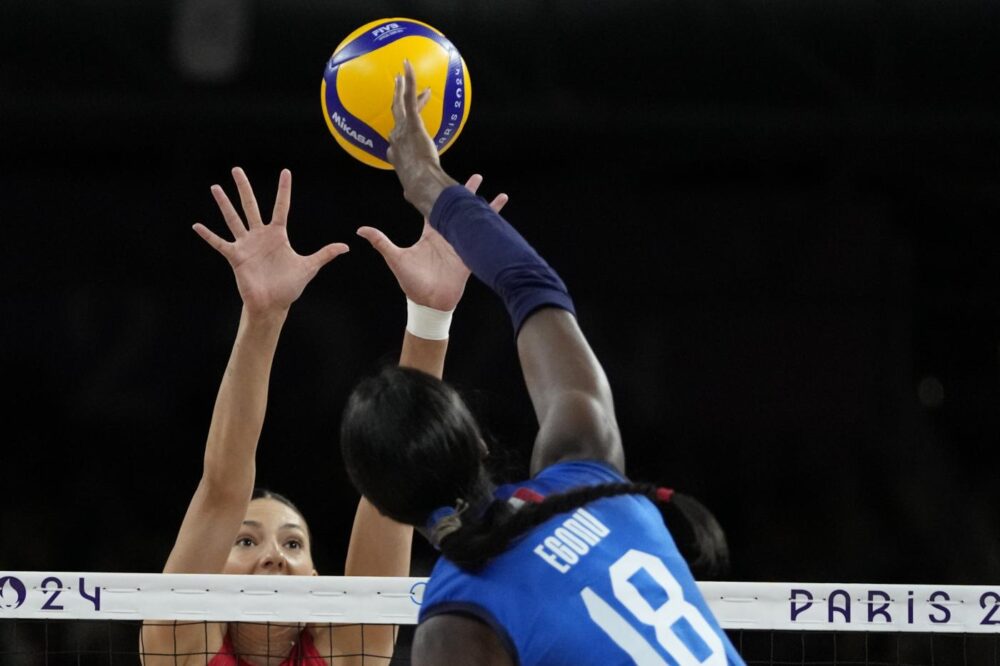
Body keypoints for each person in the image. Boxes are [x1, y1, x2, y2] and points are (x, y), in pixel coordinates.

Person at [338, 62, 746, 665]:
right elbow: (531, 284)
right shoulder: (590, 472)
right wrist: (426, 182)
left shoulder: (458, 621)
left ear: (388, 511)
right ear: (477, 444)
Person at [139, 165, 508, 666]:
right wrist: (262, 318)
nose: (274, 556)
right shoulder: (176, 647)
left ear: (317, 583)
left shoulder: (349, 651)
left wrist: (431, 316)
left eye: (293, 544)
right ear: (210, 573)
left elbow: (394, 482)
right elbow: (224, 485)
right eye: (245, 539)